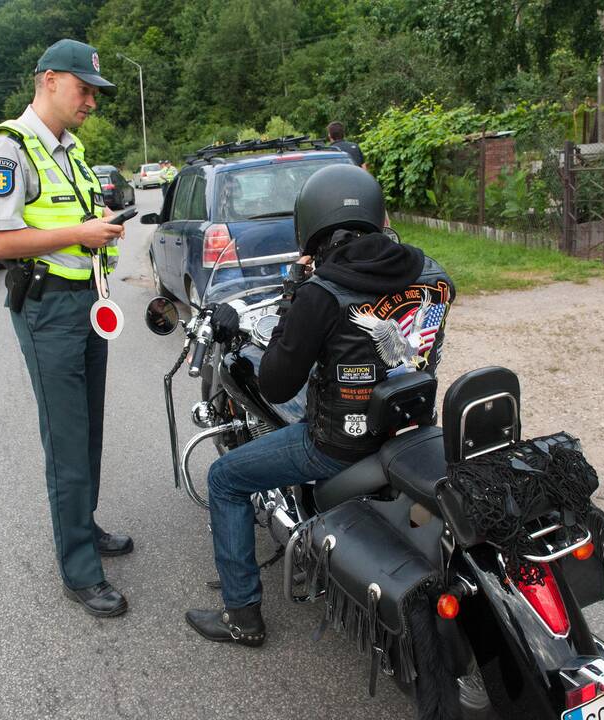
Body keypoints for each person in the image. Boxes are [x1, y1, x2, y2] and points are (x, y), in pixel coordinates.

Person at [184, 164, 455, 645]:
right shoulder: (434, 274)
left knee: (223, 480)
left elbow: (277, 385)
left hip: (339, 445)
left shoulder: (322, 292)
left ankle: (241, 616)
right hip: (411, 426)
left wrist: (294, 302)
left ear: (310, 224)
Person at [0, 39, 132, 618]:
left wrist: (101, 227)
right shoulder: (8, 147)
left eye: (95, 92)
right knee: (66, 440)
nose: (91, 100)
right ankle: (79, 570)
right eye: (83, 88)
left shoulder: (72, 149)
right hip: (48, 312)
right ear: (47, 80)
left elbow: (75, 218)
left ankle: (83, 527)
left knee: (88, 429)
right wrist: (81, 234)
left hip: (88, 303)